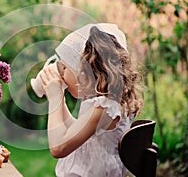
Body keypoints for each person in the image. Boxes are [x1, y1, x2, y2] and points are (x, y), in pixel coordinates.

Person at [40, 23, 143, 177]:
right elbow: (73, 132)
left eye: (65, 68)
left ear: (86, 71)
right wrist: (58, 97)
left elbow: (59, 148)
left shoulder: (104, 108)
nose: (62, 73)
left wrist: (56, 99)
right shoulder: (107, 104)